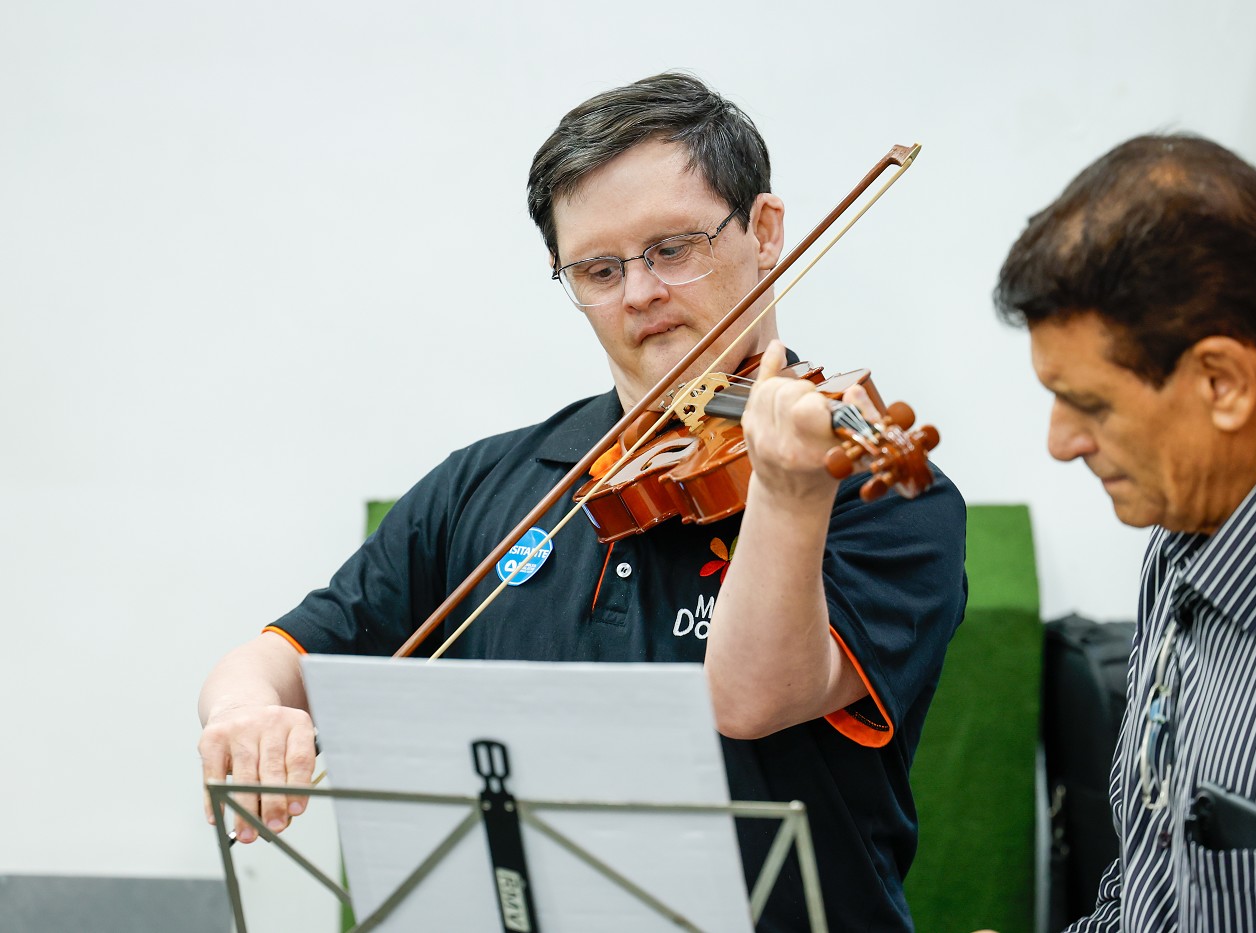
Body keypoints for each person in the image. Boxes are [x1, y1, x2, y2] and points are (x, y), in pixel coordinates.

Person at [198, 72, 967, 930]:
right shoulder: (488, 481)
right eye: (600, 269)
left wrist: (789, 495)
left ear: (765, 231)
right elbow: (277, 656)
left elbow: (754, 698)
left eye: (673, 248)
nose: (639, 293)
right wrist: (245, 711)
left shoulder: (878, 491)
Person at [994, 133, 1256, 931]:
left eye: (1092, 403)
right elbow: (1151, 896)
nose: (1061, 441)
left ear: (1223, 382)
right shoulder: (1193, 516)